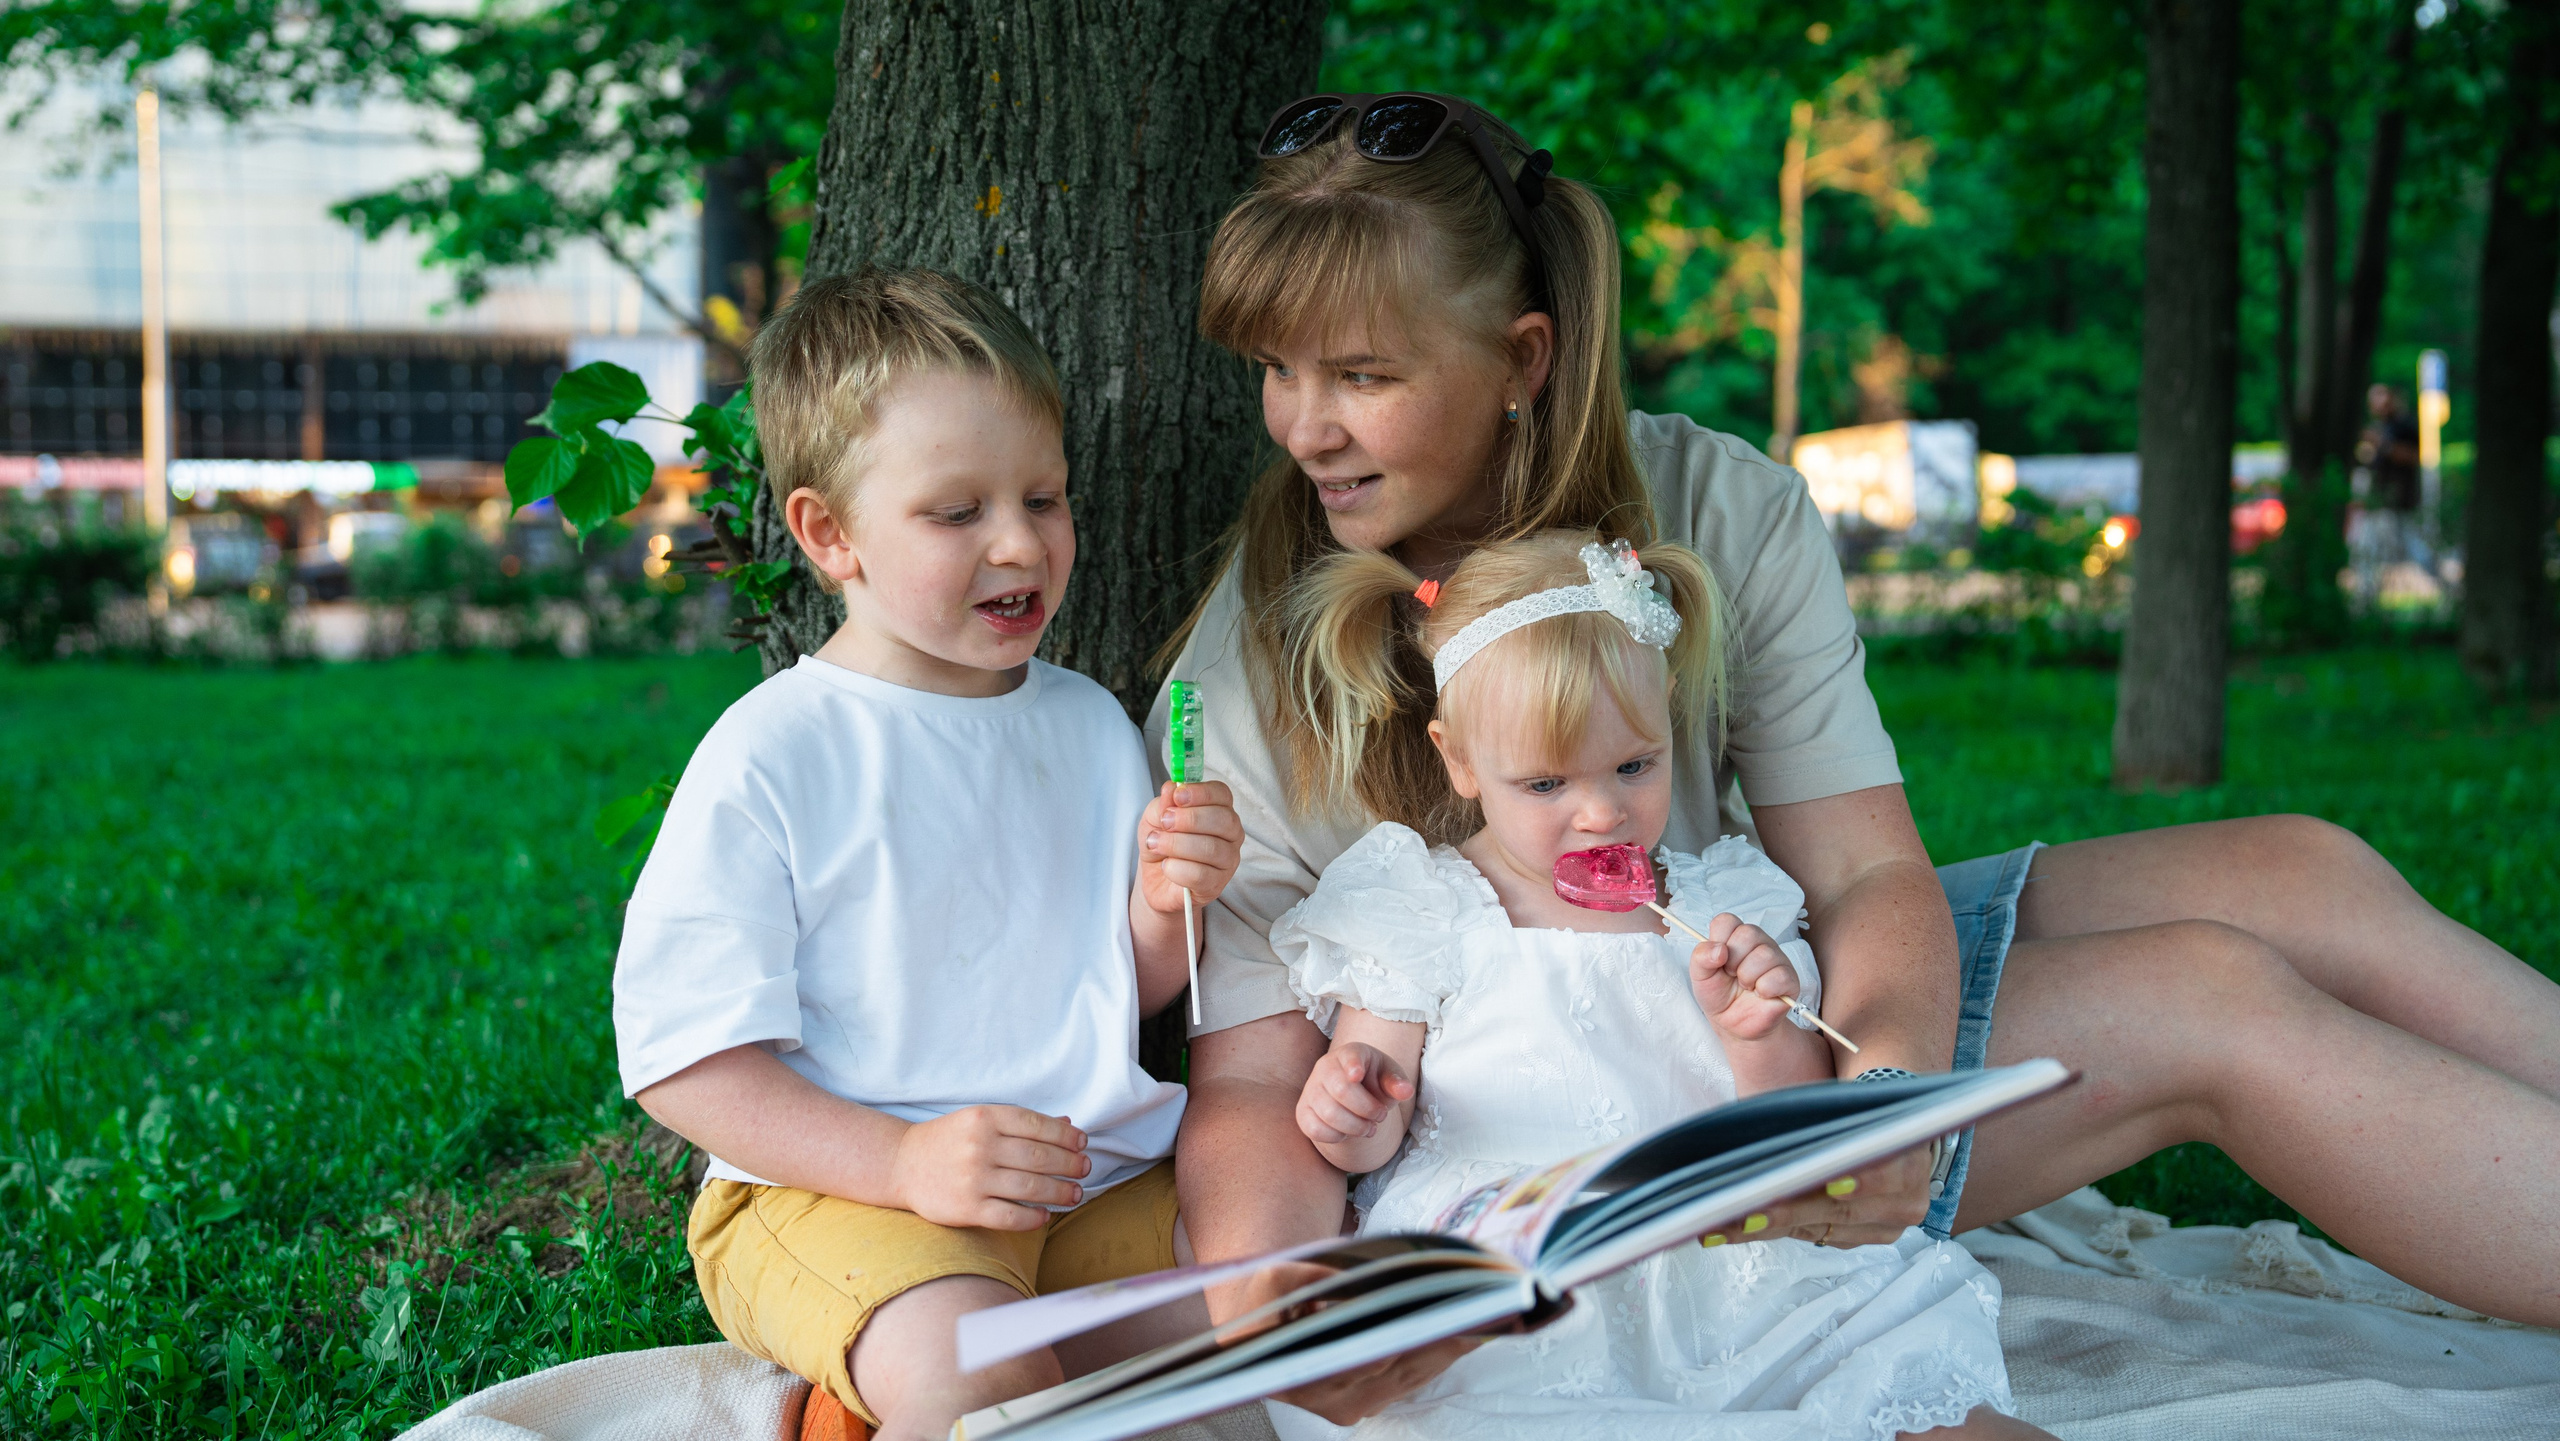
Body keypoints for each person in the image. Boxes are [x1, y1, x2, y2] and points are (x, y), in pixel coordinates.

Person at [1149, 91, 2560, 1421]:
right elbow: (1254, 1077)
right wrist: (1276, 1316)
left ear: (1524, 357)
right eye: (1278, 371)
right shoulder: (1253, 658)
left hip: (1759, 1010)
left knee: (2300, 871)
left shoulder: (1715, 501)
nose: (1299, 426)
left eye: (1362, 375)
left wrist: (1880, 1107)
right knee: (2214, 998)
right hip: (1588, 1118)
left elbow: (1868, 867)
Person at [614, 269, 1244, 1441]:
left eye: (1044, 497)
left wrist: (1168, 904)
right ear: (828, 533)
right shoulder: (777, 752)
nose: (1019, 541)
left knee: (1267, 1342)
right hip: (837, 1196)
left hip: (1085, 1183)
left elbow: (1121, 985)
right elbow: (683, 1063)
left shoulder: (1086, 725)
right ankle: (873, 1393)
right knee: (978, 1391)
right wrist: (904, 1162)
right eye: (956, 513)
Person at [1273, 529, 2043, 1440]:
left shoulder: (1717, 899)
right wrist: (1351, 1108)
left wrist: (1758, 1027)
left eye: (1634, 765)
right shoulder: (1424, 903)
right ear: (1459, 760)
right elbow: (1374, 1109)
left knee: (1916, 1404)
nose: (1601, 811)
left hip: (1726, 1253)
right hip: (1519, 1260)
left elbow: (1789, 1124)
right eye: (1546, 781)